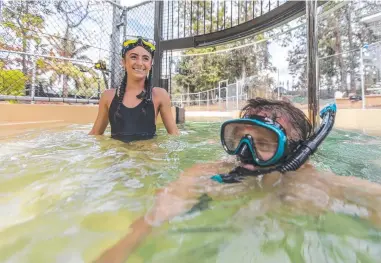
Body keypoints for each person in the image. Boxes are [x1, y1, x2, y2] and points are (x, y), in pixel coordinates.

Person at [93, 98, 381, 263]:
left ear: (298, 153)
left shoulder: (315, 183)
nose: (245, 153)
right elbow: (153, 219)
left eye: (264, 142)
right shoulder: (208, 173)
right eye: (238, 139)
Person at [89, 36, 179, 142]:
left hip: (148, 156)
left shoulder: (159, 95)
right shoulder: (108, 96)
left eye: (145, 58)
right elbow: (95, 134)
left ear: (151, 63)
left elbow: (174, 135)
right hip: (118, 156)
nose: (140, 63)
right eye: (133, 57)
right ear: (123, 62)